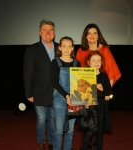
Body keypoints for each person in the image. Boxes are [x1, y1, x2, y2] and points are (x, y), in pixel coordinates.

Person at [23, 19, 58, 150]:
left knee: (53, 121)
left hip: (57, 93)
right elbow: (27, 73)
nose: (48, 32)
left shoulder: (61, 48)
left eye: (51, 30)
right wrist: (28, 93)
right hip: (39, 92)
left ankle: (51, 143)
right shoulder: (32, 49)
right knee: (42, 120)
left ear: (54, 33)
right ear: (40, 32)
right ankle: (41, 143)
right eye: (45, 30)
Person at [51, 36, 80, 150]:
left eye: (69, 46)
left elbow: (80, 82)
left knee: (70, 130)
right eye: (64, 46)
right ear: (60, 47)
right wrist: (66, 96)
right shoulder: (55, 62)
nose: (67, 49)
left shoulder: (77, 63)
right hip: (59, 98)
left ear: (72, 48)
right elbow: (55, 83)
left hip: (74, 98)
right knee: (59, 129)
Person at [80, 51, 113, 150]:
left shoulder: (104, 76)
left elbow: (109, 93)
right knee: (88, 133)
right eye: (93, 60)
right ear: (88, 62)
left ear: (101, 62)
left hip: (100, 107)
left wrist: (102, 90)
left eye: (98, 60)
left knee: (99, 133)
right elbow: (81, 92)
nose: (96, 62)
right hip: (88, 107)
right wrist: (100, 94)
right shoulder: (84, 75)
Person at [76, 23, 121, 88]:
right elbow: (77, 72)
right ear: (85, 36)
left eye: (95, 33)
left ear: (98, 35)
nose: (92, 35)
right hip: (85, 89)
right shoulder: (80, 51)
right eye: (89, 33)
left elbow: (111, 72)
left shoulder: (105, 50)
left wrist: (107, 92)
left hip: (102, 88)